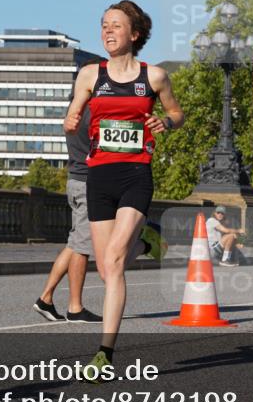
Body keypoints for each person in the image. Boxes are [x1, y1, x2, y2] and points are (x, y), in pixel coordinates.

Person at [65, 0, 184, 381]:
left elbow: (177, 113)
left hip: (136, 174)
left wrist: (166, 121)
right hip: (97, 176)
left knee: (114, 262)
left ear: (134, 34)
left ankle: (104, 352)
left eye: (116, 25)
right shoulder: (88, 75)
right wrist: (70, 118)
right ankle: (143, 241)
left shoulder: (154, 77)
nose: (107, 31)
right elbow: (75, 112)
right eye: (103, 25)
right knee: (105, 267)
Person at [33, 60, 166, 324]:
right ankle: (69, 305)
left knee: (76, 244)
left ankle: (50, 299)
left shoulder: (73, 114)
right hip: (90, 180)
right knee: (81, 246)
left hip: (77, 179)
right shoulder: (91, 113)